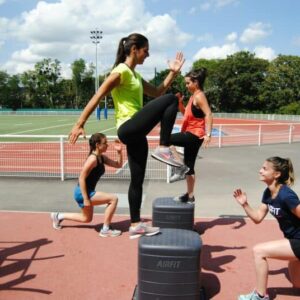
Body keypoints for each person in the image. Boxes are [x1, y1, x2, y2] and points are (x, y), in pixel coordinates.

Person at [68, 33, 186, 239]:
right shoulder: (120, 72)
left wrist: (173, 73)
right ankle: (164, 147)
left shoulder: (135, 76)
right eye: (145, 50)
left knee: (137, 181)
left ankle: (135, 224)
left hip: (136, 134)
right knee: (171, 100)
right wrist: (79, 124)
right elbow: (97, 96)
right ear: (134, 49)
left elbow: (157, 92)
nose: (147, 55)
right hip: (127, 127)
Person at [233, 156, 300, 300]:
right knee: (297, 283)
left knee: (259, 251)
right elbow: (257, 218)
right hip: (293, 239)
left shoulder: (286, 195)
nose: (260, 171)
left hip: (299, 240)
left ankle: (260, 296)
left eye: (265, 168)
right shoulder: (268, 193)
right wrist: (245, 204)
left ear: (276, 174)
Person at [51, 133, 122, 238]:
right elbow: (81, 178)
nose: (107, 145)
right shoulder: (92, 159)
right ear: (97, 145)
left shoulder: (101, 158)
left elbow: (118, 165)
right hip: (83, 192)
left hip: (87, 191)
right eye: (105, 143)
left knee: (86, 219)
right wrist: (86, 199)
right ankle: (105, 229)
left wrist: (119, 152)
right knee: (113, 199)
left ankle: (58, 216)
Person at [170, 68, 213, 203]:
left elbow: (209, 114)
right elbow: (186, 115)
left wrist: (208, 134)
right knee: (190, 168)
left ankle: (179, 166)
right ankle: (190, 196)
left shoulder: (199, 96)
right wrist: (180, 103)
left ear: (196, 83)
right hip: (192, 134)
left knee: (166, 139)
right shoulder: (193, 97)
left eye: (188, 83)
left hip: (194, 135)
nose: (186, 86)